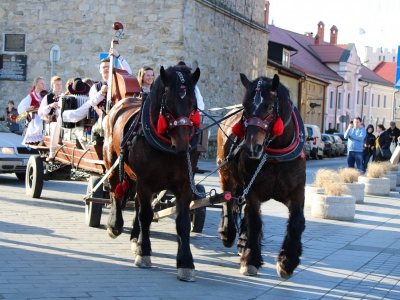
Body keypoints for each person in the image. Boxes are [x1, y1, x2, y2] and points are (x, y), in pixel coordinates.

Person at [38, 76, 63, 160]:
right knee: (56, 125)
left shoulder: (64, 96)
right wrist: (50, 106)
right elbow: (40, 112)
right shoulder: (48, 97)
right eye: (57, 85)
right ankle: (52, 152)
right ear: (52, 86)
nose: (59, 86)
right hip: (51, 122)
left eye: (60, 84)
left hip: (64, 121)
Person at [18, 77, 46, 145]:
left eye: (44, 84)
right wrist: (27, 108)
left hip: (44, 119)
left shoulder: (44, 96)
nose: (43, 85)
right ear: (36, 84)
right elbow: (20, 108)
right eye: (41, 83)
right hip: (35, 120)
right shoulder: (31, 96)